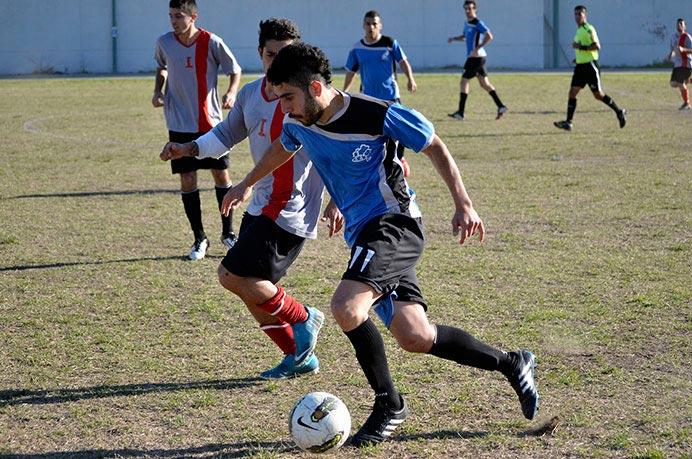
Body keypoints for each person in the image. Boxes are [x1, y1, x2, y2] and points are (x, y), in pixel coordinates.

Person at [222, 42, 539, 448]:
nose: (284, 108)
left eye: (288, 97)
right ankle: (512, 363)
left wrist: (464, 205)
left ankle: (389, 404)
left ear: (316, 88)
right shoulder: (300, 121)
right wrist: (246, 184)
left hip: (395, 225)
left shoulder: (376, 112)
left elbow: (434, 145)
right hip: (362, 234)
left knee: (346, 306)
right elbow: (284, 146)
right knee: (415, 336)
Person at [160, 19, 343, 379]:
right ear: (260, 53)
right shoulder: (249, 95)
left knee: (234, 276)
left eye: (285, 54)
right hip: (261, 203)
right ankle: (297, 355)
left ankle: (304, 318)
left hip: (289, 207)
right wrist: (190, 147)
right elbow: (227, 133)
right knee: (244, 285)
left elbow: (334, 150)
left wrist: (336, 200)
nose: (277, 62)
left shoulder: (306, 99)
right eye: (271, 54)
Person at [153, 0, 242, 260]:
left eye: (178, 16)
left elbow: (234, 69)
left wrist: (231, 92)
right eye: (170, 16)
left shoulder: (212, 42)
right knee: (188, 179)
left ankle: (228, 234)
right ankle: (199, 238)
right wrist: (158, 90)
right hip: (179, 123)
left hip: (210, 123)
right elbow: (161, 67)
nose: (173, 21)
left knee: (221, 175)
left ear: (193, 16)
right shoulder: (164, 42)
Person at [343, 10, 417, 177]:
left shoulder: (389, 43)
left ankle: (401, 158)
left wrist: (410, 79)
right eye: (368, 23)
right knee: (369, 132)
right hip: (368, 97)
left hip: (390, 94)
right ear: (363, 25)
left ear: (380, 25)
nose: (371, 27)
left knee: (399, 129)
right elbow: (351, 72)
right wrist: (345, 91)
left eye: (374, 24)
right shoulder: (357, 48)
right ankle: (373, 163)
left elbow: (403, 62)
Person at [553, 5, 627, 131]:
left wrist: (580, 48)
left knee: (598, 95)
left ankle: (619, 112)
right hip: (580, 67)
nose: (577, 17)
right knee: (572, 92)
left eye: (579, 15)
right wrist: (578, 58)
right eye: (575, 14)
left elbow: (597, 46)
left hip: (590, 67)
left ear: (585, 16)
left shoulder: (589, 29)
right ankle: (568, 122)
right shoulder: (579, 30)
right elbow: (582, 47)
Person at [447, 0, 507, 121]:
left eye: (470, 8)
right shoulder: (467, 23)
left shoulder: (477, 23)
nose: (468, 11)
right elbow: (465, 37)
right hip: (478, 58)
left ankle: (460, 113)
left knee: (464, 82)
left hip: (475, 58)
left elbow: (489, 35)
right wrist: (454, 38)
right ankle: (501, 106)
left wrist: (477, 48)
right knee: (484, 84)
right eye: (466, 8)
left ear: (475, 9)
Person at [665, 18, 692, 110]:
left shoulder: (687, 37)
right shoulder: (673, 37)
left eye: (681, 24)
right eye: (678, 24)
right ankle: (689, 80)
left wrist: (684, 49)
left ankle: (687, 103)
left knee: (680, 83)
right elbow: (673, 49)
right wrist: (670, 56)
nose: (679, 25)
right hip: (677, 64)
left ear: (685, 26)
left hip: (686, 64)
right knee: (673, 83)